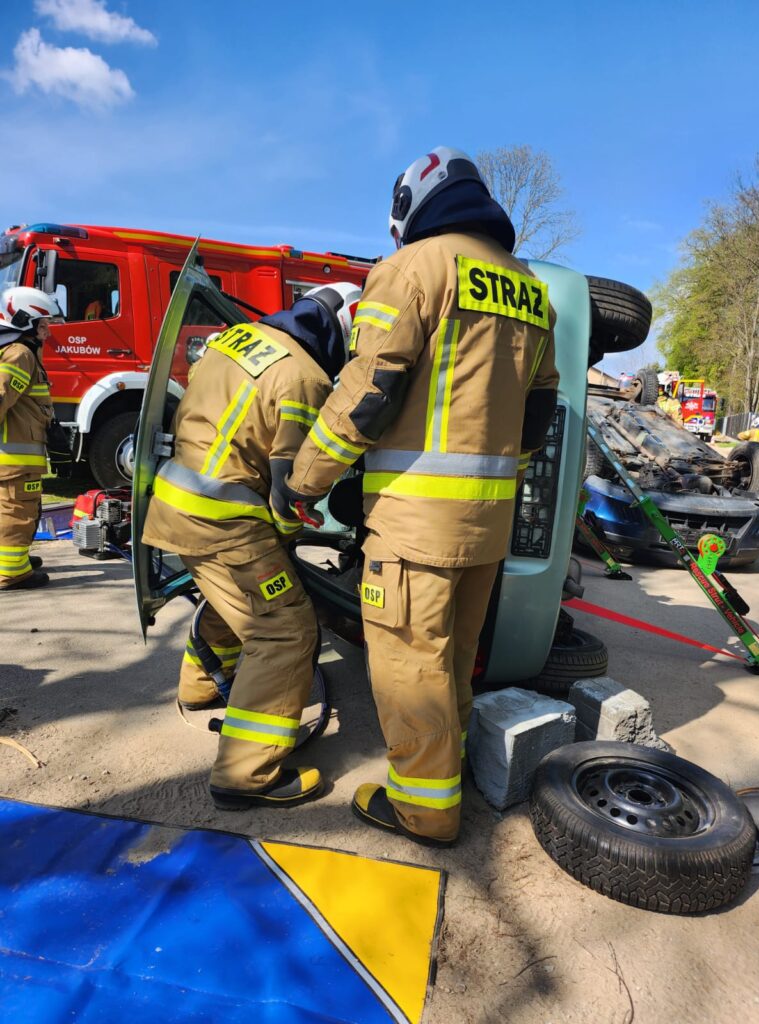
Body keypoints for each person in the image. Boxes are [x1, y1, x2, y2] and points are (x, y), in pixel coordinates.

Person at [275, 146, 560, 846]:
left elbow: (369, 390)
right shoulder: (529, 288)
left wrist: (304, 482)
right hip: (486, 527)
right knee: (452, 662)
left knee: (410, 666)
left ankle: (424, 810)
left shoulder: (413, 268)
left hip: (414, 523)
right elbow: (539, 412)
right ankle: (445, 779)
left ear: (411, 204)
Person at [142, 282, 361, 810]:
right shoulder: (306, 378)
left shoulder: (236, 339)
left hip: (175, 501)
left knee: (236, 603)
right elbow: (290, 489)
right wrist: (294, 528)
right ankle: (246, 776)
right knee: (286, 630)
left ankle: (201, 685)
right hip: (224, 520)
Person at [0, 286, 62, 591]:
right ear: (23, 321)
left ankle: (16, 559)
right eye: (43, 325)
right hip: (16, 460)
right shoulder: (20, 354)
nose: (47, 333)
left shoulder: (21, 352)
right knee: (17, 511)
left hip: (16, 457)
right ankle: (12, 573)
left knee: (13, 509)